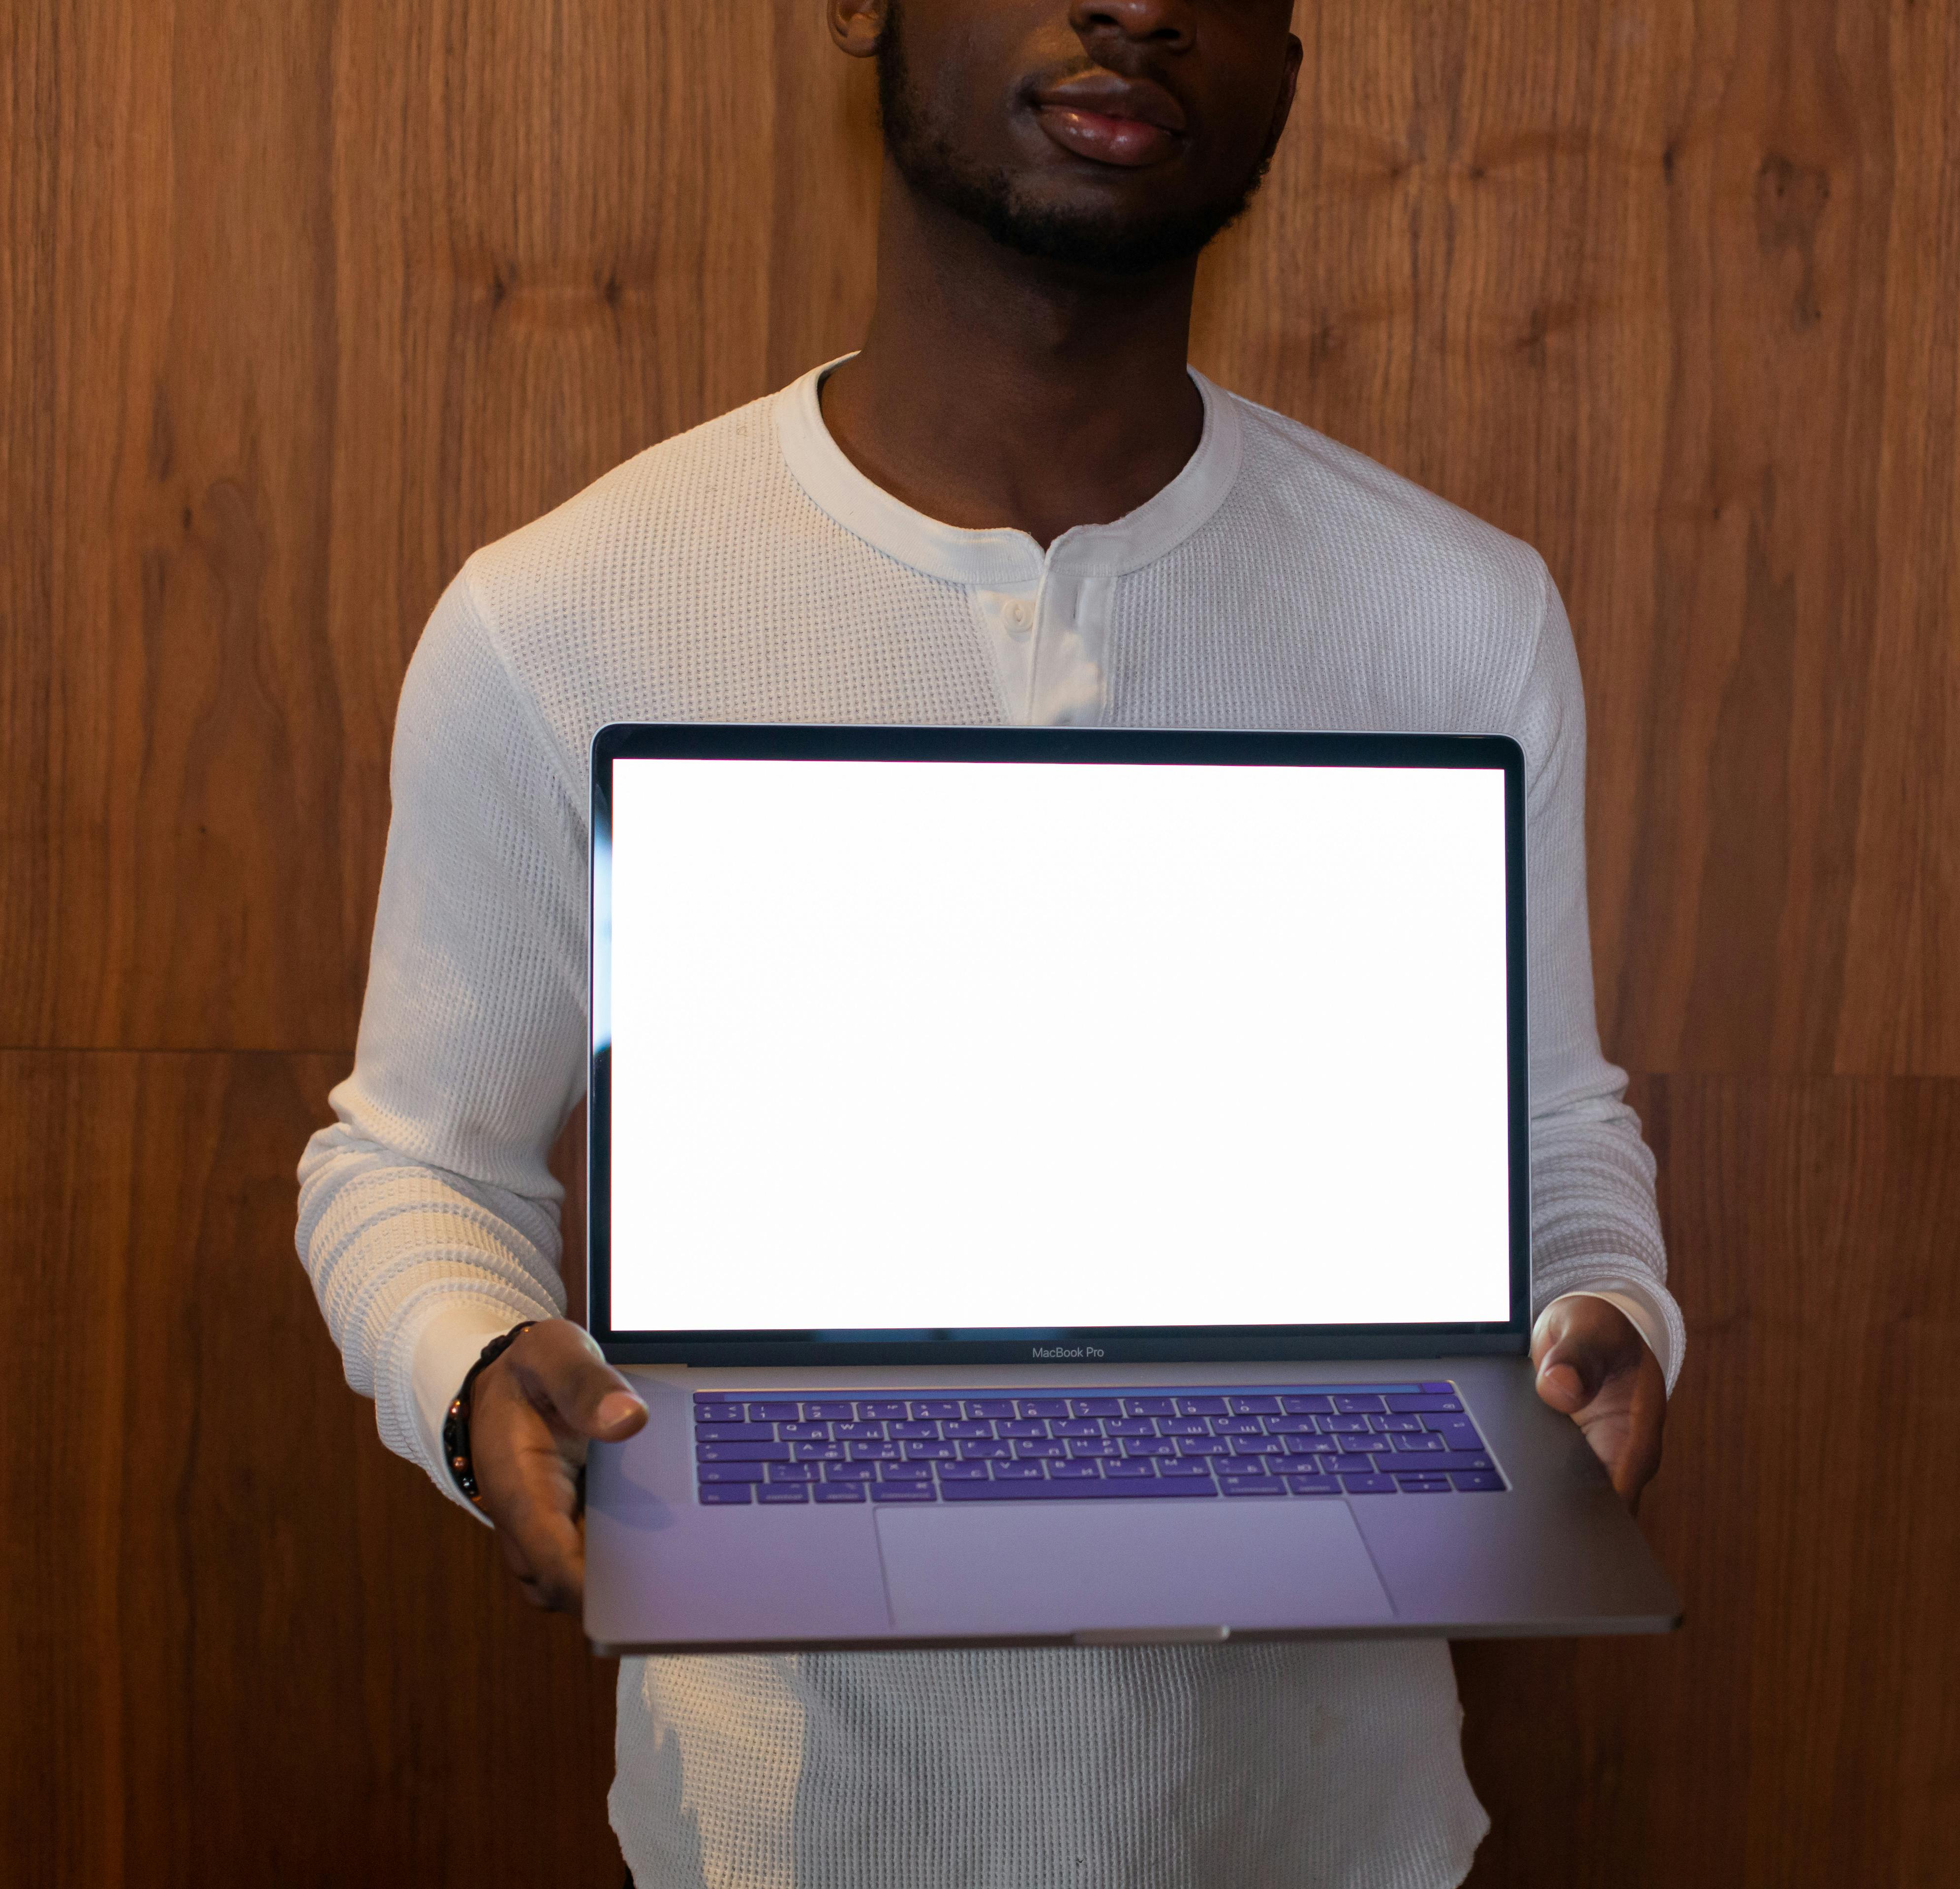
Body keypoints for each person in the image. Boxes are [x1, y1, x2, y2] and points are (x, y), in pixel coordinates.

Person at [294, 1, 1681, 1883]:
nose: (1135, 6)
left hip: (1327, 1834)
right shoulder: (569, 611)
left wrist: (1614, 1303)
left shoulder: (1454, 614)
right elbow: (413, 1160)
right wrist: (471, 1371)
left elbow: (1554, 1129)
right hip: (780, 1841)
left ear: (1291, 44)